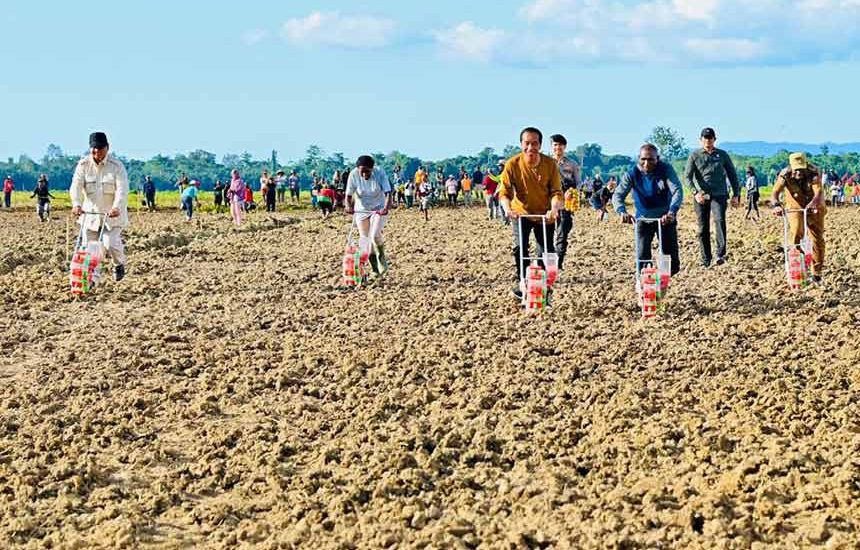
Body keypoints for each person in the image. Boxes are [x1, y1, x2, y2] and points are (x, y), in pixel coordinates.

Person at [499, 127, 563, 300]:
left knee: (546, 252)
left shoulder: (550, 165)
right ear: (521, 144)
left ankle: (543, 286)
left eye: (534, 143)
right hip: (521, 214)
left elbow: (557, 192)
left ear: (540, 145)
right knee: (520, 248)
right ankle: (523, 282)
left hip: (545, 216)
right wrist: (507, 209)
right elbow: (504, 192)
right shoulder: (512, 164)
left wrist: (554, 209)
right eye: (527, 143)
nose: (530, 148)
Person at [613, 144, 684, 277]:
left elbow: (677, 190)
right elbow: (618, 195)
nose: (646, 163)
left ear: (657, 158)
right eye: (643, 159)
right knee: (642, 256)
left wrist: (672, 211)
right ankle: (645, 285)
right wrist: (621, 211)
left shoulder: (665, 169)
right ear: (638, 158)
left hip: (665, 217)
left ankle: (664, 279)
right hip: (643, 218)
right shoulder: (632, 174)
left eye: (651, 159)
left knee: (670, 260)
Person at [70, 132, 130, 281]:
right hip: (90, 216)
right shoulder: (83, 165)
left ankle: (119, 264)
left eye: (100, 150)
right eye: (94, 150)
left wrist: (117, 207)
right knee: (90, 249)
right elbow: (75, 187)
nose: (97, 153)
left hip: (112, 217)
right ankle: (91, 280)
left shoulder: (116, 166)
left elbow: (122, 190)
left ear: (107, 148)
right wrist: (76, 204)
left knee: (110, 244)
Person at [684, 127, 741, 267]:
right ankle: (706, 259)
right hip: (702, 196)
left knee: (719, 220)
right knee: (703, 228)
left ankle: (720, 254)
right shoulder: (695, 155)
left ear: (714, 139)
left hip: (719, 194)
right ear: (701, 140)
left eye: (710, 138)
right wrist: (695, 193)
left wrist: (736, 194)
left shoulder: (722, 155)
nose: (707, 140)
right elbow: (687, 177)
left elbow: (732, 175)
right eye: (705, 138)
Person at [771, 152, 826, 283]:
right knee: (796, 233)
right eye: (796, 169)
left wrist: (814, 203)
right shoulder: (785, 174)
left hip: (814, 204)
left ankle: (816, 273)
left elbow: (818, 191)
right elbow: (775, 193)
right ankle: (798, 268)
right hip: (795, 205)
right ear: (791, 166)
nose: (799, 173)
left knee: (817, 237)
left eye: (801, 169)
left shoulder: (813, 171)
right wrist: (776, 205)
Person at [345, 155, 392, 275]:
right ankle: (375, 269)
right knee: (364, 239)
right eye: (362, 171)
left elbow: (388, 192)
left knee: (375, 234)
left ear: (372, 169)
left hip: (378, 208)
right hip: (362, 209)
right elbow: (348, 195)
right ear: (357, 169)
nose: (365, 174)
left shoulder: (380, 173)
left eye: (368, 171)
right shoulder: (353, 175)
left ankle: (381, 259)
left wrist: (386, 208)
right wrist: (348, 206)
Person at [549, 134, 582, 271]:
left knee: (562, 233)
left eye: (560, 145)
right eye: (555, 145)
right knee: (548, 233)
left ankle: (559, 262)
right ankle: (549, 263)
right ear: (551, 147)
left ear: (565, 147)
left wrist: (572, 191)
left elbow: (579, 183)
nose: (558, 148)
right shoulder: (545, 162)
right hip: (548, 203)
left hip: (566, 203)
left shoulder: (572, 164)